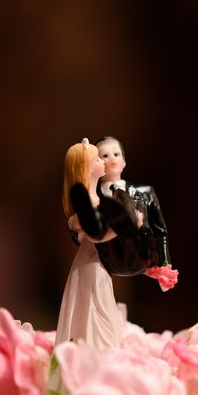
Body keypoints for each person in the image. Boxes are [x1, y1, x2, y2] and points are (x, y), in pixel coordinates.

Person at [54, 138, 123, 351]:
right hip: (92, 265)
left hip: (97, 262)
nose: (103, 161)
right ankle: (97, 352)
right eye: (97, 159)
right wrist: (125, 225)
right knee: (98, 307)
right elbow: (96, 235)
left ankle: (95, 350)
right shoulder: (87, 204)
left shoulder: (97, 198)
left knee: (97, 307)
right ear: (87, 167)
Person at [95, 136, 177, 289]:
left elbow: (160, 231)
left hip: (143, 260)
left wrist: (164, 264)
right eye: (105, 155)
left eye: (116, 154)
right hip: (107, 264)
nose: (112, 158)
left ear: (124, 161)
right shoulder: (94, 198)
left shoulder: (145, 193)